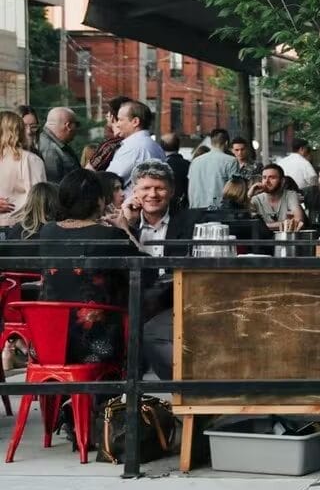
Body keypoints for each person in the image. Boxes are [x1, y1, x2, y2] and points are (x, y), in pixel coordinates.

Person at [37, 169, 140, 366]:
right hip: (95, 344)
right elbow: (147, 270)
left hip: (49, 341)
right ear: (99, 200)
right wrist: (125, 229)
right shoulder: (108, 236)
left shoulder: (47, 231)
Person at [121, 160, 196, 380]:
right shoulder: (125, 223)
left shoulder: (189, 222)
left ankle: (175, 387)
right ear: (134, 191)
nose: (152, 194)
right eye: (145, 188)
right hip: (134, 298)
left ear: (171, 191)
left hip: (174, 298)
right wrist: (127, 225)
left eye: (159, 188)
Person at [0, 110, 46, 228]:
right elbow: (39, 200)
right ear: (19, 131)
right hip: (21, 230)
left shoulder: (30, 159)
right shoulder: (30, 160)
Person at [107, 100, 166, 187]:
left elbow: (109, 181)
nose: (117, 125)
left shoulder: (134, 147)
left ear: (135, 122)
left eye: (120, 120)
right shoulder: (154, 146)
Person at [187, 128, 242, 209]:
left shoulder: (195, 161)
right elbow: (235, 190)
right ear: (226, 143)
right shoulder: (231, 161)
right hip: (219, 211)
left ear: (211, 142)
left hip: (196, 210)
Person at [250, 163, 304, 231]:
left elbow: (298, 221)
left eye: (272, 177)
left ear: (282, 181)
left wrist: (262, 226)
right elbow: (248, 223)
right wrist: (249, 195)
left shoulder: (290, 195)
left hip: (286, 239)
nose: (267, 181)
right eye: (264, 177)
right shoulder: (255, 199)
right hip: (263, 240)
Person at [87, 95, 132, 171]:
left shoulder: (110, 145)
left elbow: (88, 172)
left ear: (111, 117)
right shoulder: (133, 140)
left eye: (108, 112)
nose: (106, 115)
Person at [38, 107, 81, 183]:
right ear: (68, 126)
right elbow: (54, 186)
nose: (77, 129)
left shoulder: (52, 145)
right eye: (77, 124)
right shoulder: (50, 150)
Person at [160, 132, 190, 210]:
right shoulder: (189, 165)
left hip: (165, 207)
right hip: (185, 207)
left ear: (161, 147)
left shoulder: (161, 166)